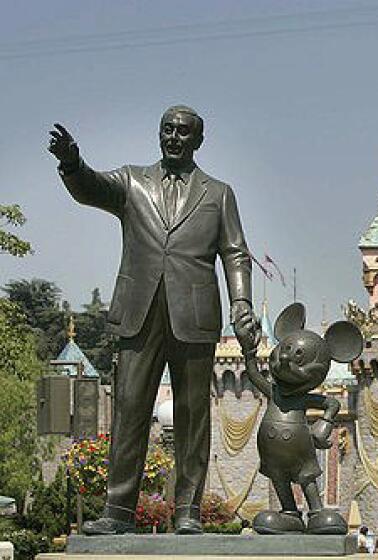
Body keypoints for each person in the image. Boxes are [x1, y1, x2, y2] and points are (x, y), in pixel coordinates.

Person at [48, 109, 257, 535]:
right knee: (130, 411)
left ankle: (188, 512)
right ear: (159, 134)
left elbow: (235, 252)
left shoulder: (218, 193)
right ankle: (118, 511)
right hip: (138, 312)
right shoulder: (131, 182)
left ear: (198, 140)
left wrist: (241, 303)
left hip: (194, 315)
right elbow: (90, 187)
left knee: (193, 416)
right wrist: (72, 163)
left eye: (183, 132)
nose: (174, 138)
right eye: (167, 130)